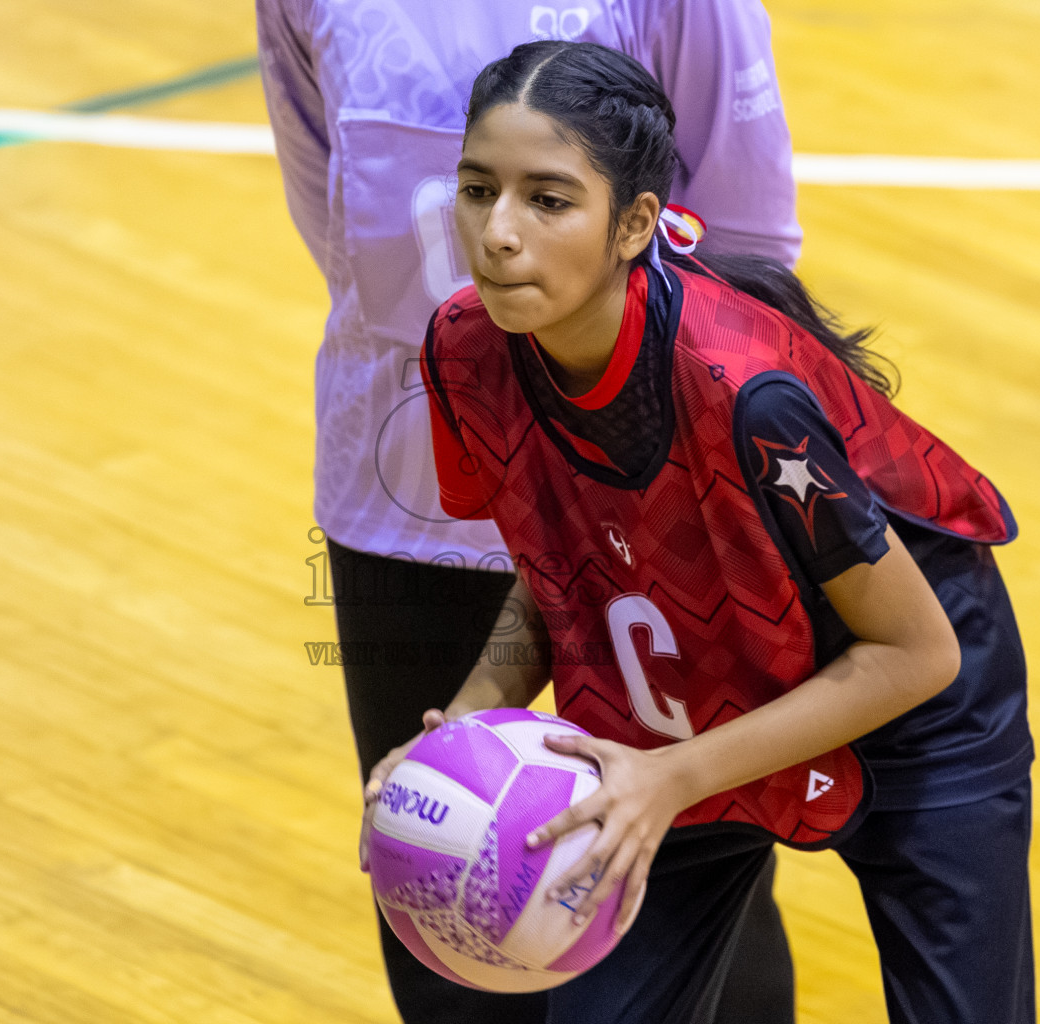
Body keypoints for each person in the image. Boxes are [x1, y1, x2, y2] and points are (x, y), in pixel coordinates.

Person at [363, 39, 1035, 1024]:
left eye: (548, 200)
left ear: (635, 222)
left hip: (905, 716)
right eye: (477, 190)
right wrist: (464, 726)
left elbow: (917, 651)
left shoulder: (743, 391)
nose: (498, 232)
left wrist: (671, 778)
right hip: (678, 715)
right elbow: (555, 569)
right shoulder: (468, 349)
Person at [256, 1, 804, 1021]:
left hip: (638, 504)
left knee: (690, 883)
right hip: (405, 508)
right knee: (438, 878)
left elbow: (748, 241)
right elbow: (327, 207)